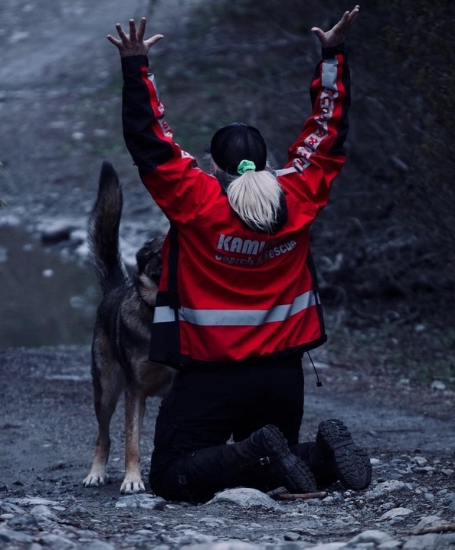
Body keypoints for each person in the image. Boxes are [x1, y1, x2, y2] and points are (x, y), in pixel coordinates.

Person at [107, 6, 371, 504]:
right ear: (267, 162)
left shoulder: (198, 200)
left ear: (213, 165)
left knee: (170, 473)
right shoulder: (299, 195)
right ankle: (323, 456)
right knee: (282, 465)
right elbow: (328, 133)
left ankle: (257, 451)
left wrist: (136, 65)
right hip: (282, 375)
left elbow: (150, 142)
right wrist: (333, 55)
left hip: (214, 374)